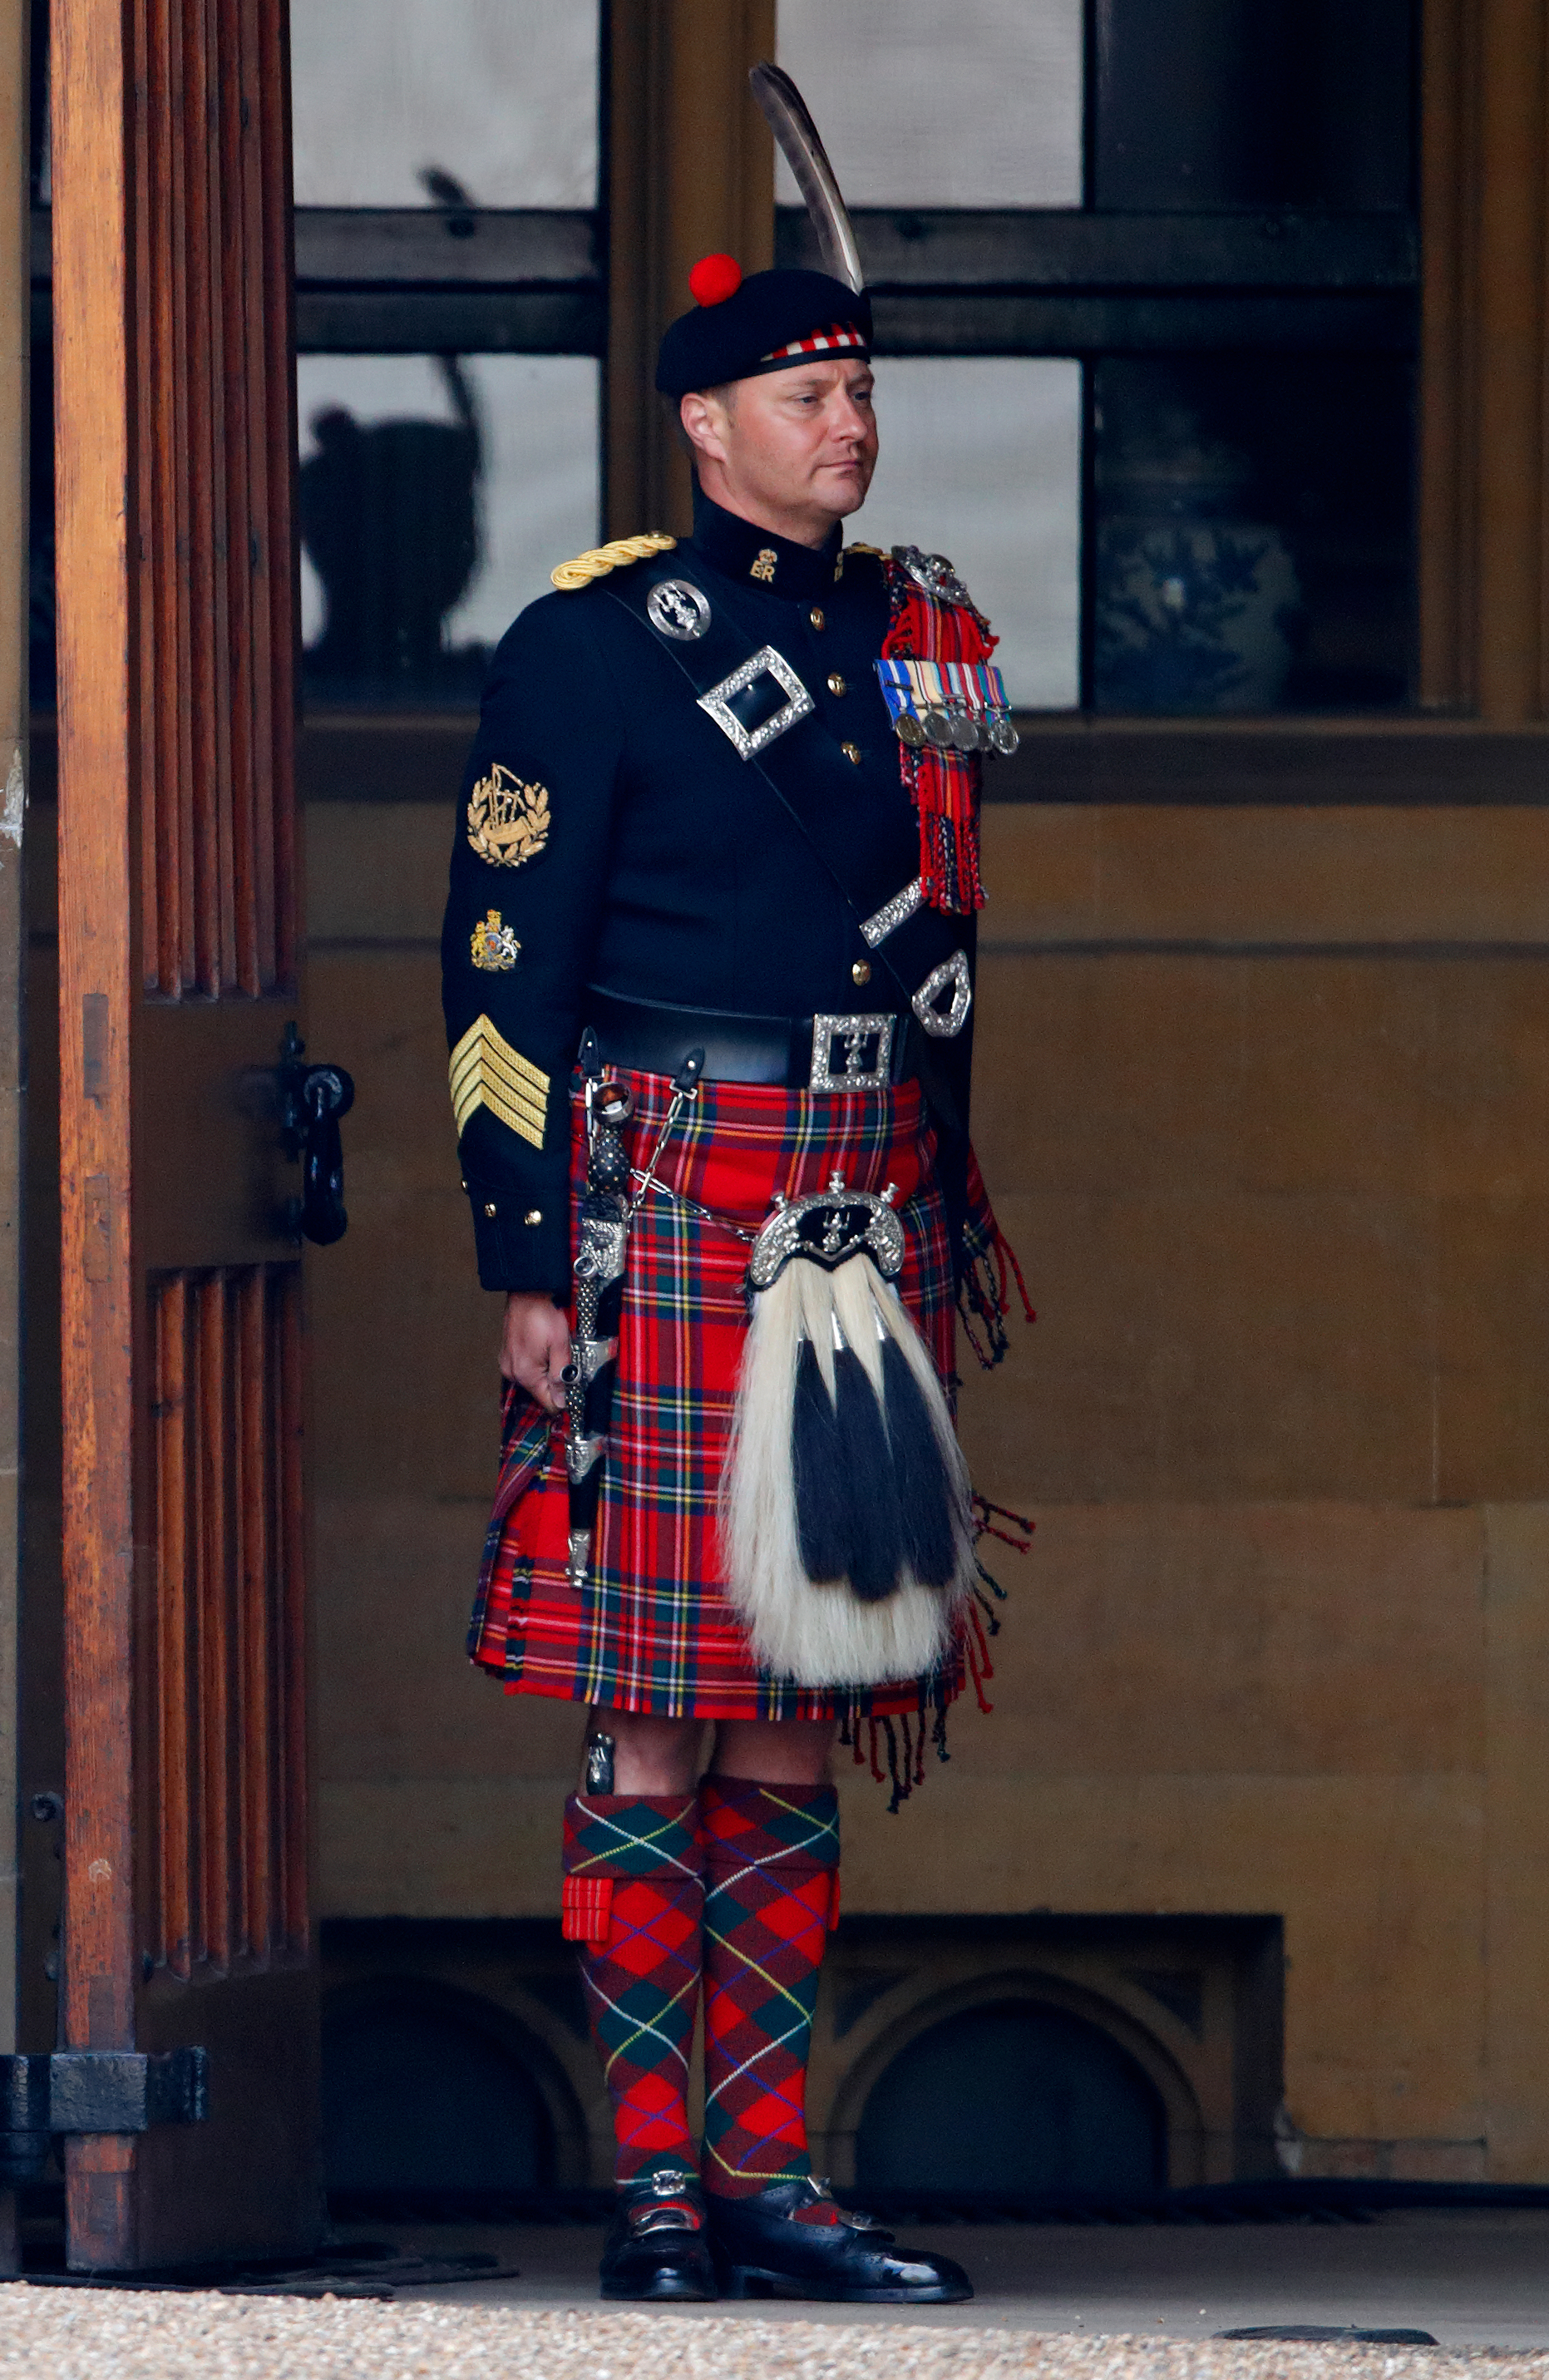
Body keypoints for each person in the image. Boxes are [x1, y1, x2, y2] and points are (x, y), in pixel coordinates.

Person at [441, 254, 1025, 2304]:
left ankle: (778, 2177)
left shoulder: (921, 626)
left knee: (804, 1710)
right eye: (803, 395)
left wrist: (935, 1199)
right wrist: (526, 1250)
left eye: (858, 387)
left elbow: (948, 928)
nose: (845, 424)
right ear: (707, 427)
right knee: (656, 1722)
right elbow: (505, 964)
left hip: (862, 1197)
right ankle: (657, 2191)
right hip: (666, 1195)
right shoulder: (594, 649)